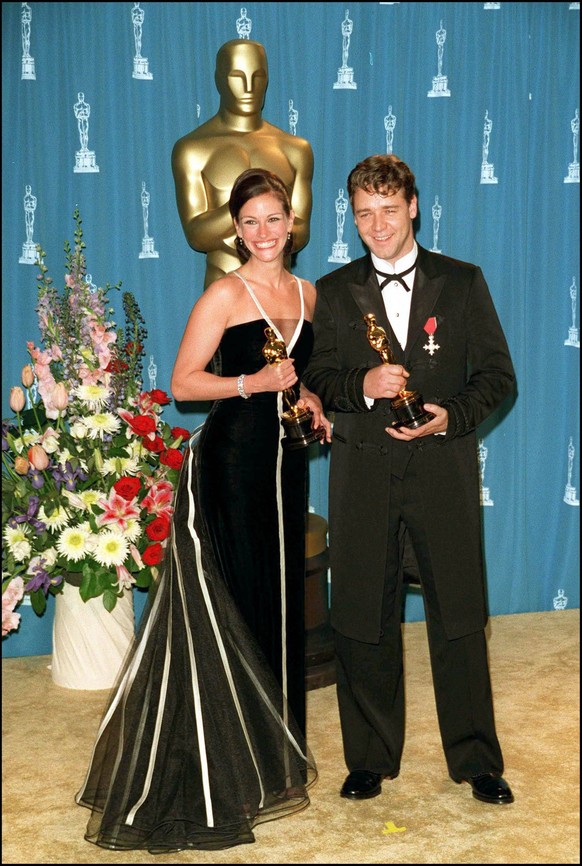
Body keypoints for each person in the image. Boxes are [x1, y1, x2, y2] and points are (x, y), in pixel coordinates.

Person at [75, 168, 330, 853]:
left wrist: (308, 399)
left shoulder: (310, 294)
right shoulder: (224, 293)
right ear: (236, 231)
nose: (263, 232)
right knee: (234, 605)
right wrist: (254, 381)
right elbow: (184, 384)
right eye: (250, 222)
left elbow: (301, 381)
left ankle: (272, 757)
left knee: (279, 601)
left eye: (273, 218)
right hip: (229, 468)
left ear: (291, 222)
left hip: (286, 469)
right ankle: (227, 766)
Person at [303, 153, 516, 807]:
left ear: (414, 207)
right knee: (362, 617)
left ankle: (477, 760)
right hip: (363, 475)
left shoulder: (463, 282)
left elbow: (498, 378)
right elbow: (317, 381)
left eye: (389, 210)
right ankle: (369, 758)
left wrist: (453, 416)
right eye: (364, 213)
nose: (378, 225)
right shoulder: (333, 290)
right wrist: (363, 384)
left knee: (459, 616)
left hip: (443, 474)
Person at [171, 39, 314, 289]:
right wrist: (253, 203)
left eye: (257, 77)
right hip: (222, 285)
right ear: (219, 80)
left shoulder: (296, 149)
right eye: (237, 76)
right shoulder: (192, 149)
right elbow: (196, 234)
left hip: (280, 289)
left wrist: (253, 217)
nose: (249, 87)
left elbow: (301, 231)